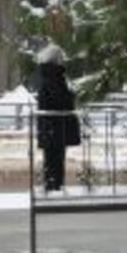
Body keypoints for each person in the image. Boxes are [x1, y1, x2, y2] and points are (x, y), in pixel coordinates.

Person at [35, 44, 80, 191]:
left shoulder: (49, 75)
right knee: (55, 160)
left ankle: (53, 185)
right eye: (61, 57)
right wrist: (71, 96)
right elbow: (59, 99)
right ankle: (54, 187)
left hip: (51, 126)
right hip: (55, 125)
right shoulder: (54, 76)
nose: (63, 60)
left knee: (53, 159)